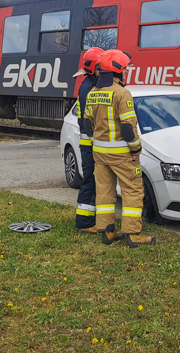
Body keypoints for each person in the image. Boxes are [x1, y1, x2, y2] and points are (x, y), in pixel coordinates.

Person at [82, 49, 155, 247]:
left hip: (99, 153)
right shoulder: (122, 93)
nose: (125, 72)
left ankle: (107, 232)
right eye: (124, 69)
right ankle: (133, 234)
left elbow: (87, 124)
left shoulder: (92, 93)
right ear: (117, 71)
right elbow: (128, 128)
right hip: (121, 154)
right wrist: (136, 150)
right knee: (133, 191)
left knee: (104, 191)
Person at [73, 46, 104, 233]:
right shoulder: (89, 88)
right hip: (90, 143)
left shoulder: (88, 84)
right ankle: (84, 223)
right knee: (90, 181)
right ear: (93, 68)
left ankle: (89, 220)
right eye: (101, 66)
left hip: (89, 142)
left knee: (92, 180)